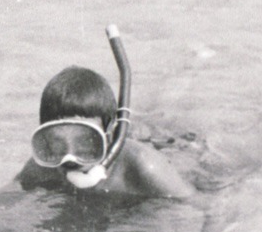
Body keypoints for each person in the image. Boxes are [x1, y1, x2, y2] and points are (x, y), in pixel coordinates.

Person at [14, 59, 193, 200]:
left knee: (161, 113)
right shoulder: (46, 165)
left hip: (174, 147)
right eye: (57, 141)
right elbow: (5, 200)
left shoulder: (145, 166)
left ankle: (192, 64)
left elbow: (209, 207)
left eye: (85, 140)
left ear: (109, 132)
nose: (70, 157)